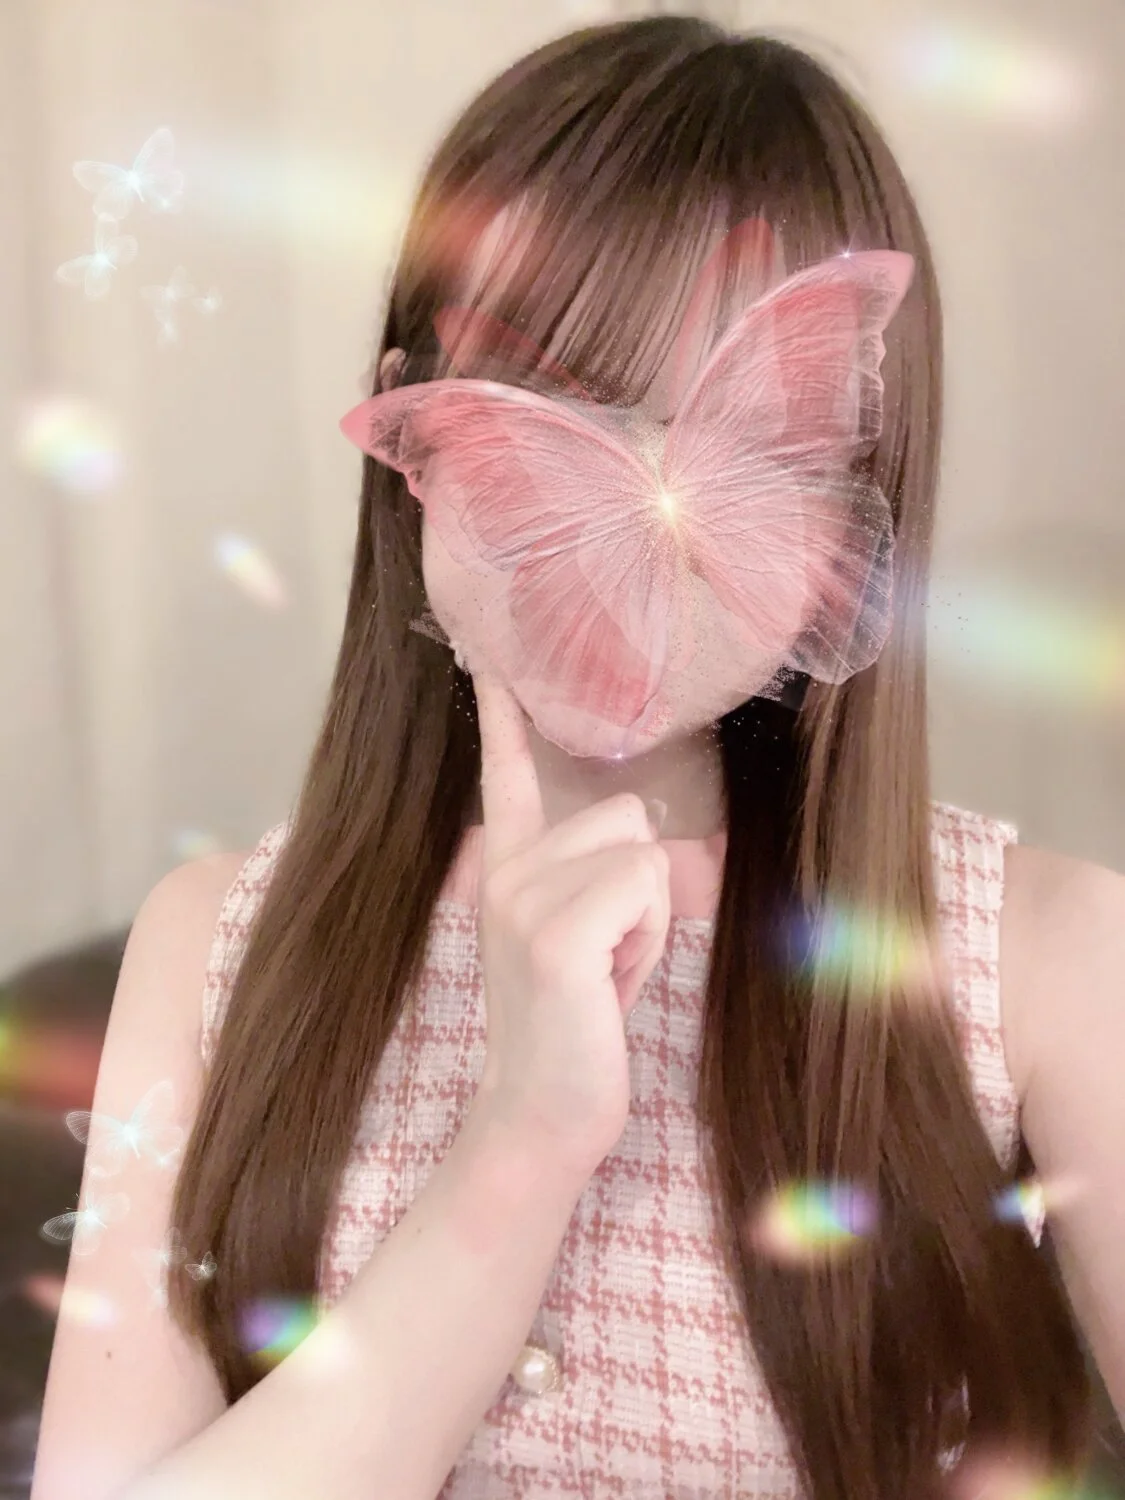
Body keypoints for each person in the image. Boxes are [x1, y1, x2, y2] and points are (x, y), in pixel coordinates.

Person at [31, 16, 1125, 1500]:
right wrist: (520, 1143)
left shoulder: (1040, 958)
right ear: (411, 433)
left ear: (859, 481)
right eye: (546, 398)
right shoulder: (219, 942)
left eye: (751, 438)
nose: (644, 506)